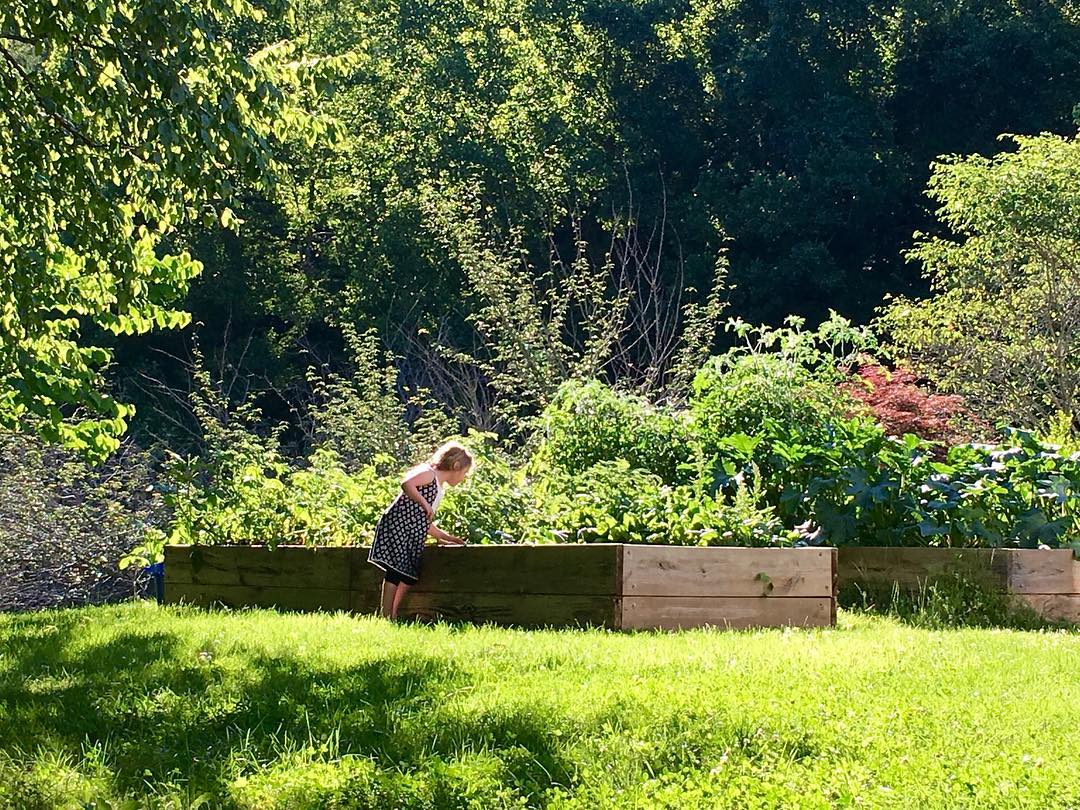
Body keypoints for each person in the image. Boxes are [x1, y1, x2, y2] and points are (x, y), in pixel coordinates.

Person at [368, 441, 472, 619]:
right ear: (456, 466)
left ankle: (393, 612)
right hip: (397, 525)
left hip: (412, 532)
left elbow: (424, 520)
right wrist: (424, 503)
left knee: (408, 576)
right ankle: (387, 615)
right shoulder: (428, 474)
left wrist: (445, 537)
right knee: (395, 570)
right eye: (464, 473)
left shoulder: (439, 489)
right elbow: (406, 484)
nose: (463, 478)